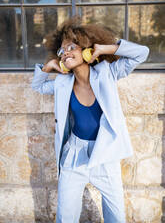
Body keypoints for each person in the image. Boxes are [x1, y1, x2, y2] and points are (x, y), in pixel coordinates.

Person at [31, 16, 150, 223]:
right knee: (65, 215)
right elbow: (38, 86)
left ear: (86, 49)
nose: (65, 52)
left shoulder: (108, 73)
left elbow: (142, 53)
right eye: (62, 50)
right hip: (74, 155)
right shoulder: (62, 83)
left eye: (71, 47)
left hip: (105, 154)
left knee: (116, 216)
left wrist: (105, 49)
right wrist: (48, 66)